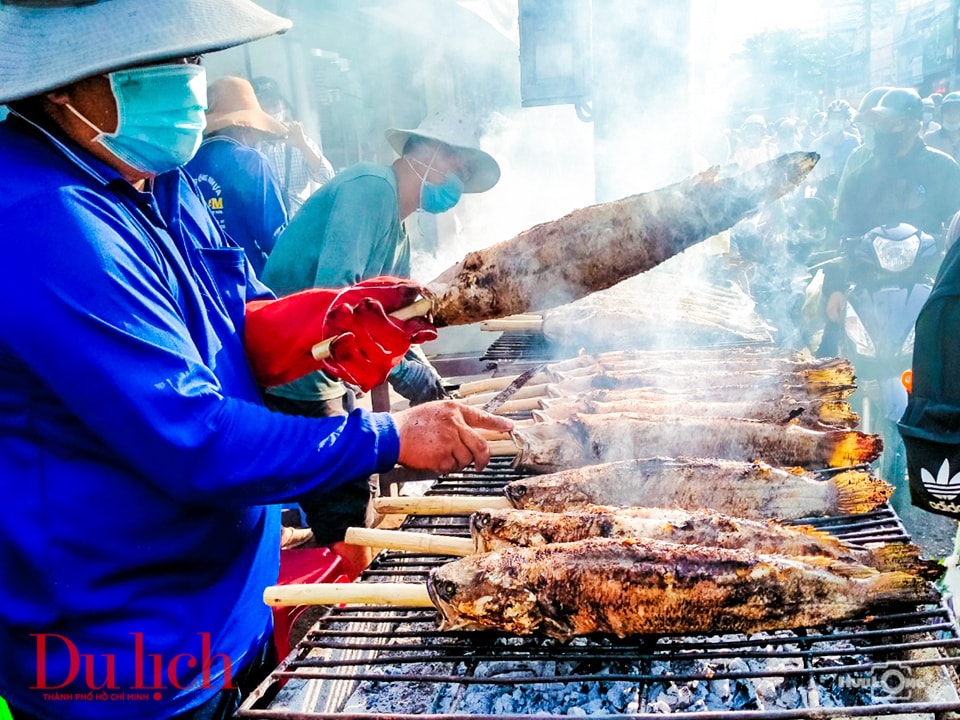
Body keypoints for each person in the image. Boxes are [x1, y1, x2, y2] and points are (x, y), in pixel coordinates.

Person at [0, 2, 513, 719]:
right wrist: (391, 438)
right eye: (158, 64)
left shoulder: (155, 179)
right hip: (125, 657)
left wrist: (330, 322)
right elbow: (195, 441)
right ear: (61, 85)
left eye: (190, 59)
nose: (188, 81)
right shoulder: (41, 219)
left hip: (225, 610)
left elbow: (235, 316)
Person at [260, 110, 501, 567]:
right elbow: (335, 306)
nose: (459, 183)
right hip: (298, 373)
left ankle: (351, 578)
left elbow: (392, 323)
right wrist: (400, 369)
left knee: (358, 493)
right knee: (346, 509)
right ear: (425, 152)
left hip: (332, 377)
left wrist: (424, 375)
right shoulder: (369, 189)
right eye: (459, 167)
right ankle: (350, 608)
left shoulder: (400, 235)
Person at [185, 75, 288, 276]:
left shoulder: (183, 165)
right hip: (247, 283)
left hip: (200, 283)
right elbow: (274, 237)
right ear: (245, 126)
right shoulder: (252, 162)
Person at [252, 75, 335, 217]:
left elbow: (328, 178)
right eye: (263, 107)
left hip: (302, 227)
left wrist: (303, 146)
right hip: (269, 232)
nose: (271, 112)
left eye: (274, 105)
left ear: (284, 108)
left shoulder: (302, 142)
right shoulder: (251, 149)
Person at [809, 99, 860, 207]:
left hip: (848, 196)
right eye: (833, 118)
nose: (836, 121)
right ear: (828, 119)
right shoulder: (816, 145)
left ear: (846, 120)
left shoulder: (853, 142)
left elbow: (858, 169)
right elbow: (810, 175)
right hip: (823, 198)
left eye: (840, 118)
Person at [924, 91, 960, 162]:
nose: (952, 112)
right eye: (948, 109)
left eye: (957, 109)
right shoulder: (930, 139)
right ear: (942, 112)